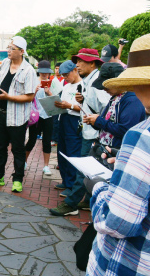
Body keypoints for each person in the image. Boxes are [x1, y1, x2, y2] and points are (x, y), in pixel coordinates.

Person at [84, 32, 150, 275]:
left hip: (136, 263)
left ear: (145, 81)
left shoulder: (146, 134)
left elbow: (119, 221)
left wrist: (100, 187)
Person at [51, 62, 145, 217]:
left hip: (115, 151)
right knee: (87, 174)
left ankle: (71, 203)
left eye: (106, 86)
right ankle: (85, 201)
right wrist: (95, 121)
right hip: (104, 146)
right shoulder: (117, 97)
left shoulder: (131, 100)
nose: (104, 90)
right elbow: (107, 122)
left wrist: (99, 121)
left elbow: (125, 130)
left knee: (86, 175)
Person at [0, 36, 37, 193]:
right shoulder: (5, 64)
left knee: (18, 149)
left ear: (21, 51)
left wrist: (8, 97)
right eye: (8, 47)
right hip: (1, 113)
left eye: (12, 48)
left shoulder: (28, 71)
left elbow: (30, 96)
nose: (8, 51)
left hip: (18, 116)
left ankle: (17, 179)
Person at [62, 49, 110, 202]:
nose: (77, 65)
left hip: (95, 133)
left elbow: (106, 107)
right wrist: (83, 100)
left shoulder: (97, 81)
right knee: (91, 168)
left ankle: (72, 203)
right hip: (89, 131)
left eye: (80, 61)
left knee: (83, 169)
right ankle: (89, 200)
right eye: (77, 62)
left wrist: (97, 120)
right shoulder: (87, 81)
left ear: (91, 63)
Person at [50, 61, 83, 200]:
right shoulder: (67, 86)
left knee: (72, 152)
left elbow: (85, 108)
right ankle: (65, 180)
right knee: (62, 151)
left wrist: (70, 106)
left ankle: (71, 186)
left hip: (74, 120)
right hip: (63, 118)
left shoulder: (83, 86)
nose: (65, 77)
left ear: (75, 70)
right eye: (63, 75)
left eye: (67, 74)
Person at [24, 60, 54, 176]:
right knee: (31, 140)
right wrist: (35, 92)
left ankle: (46, 166)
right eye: (42, 72)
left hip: (48, 115)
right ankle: (25, 161)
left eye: (46, 72)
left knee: (47, 141)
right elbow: (29, 100)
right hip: (36, 116)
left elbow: (57, 101)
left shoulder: (54, 83)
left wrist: (49, 93)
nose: (44, 74)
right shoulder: (34, 82)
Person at [50, 62, 64, 146]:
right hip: (53, 102)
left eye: (59, 69)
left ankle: (57, 138)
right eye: (56, 68)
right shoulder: (51, 78)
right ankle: (53, 138)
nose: (57, 70)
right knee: (53, 121)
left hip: (62, 103)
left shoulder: (65, 80)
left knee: (59, 122)